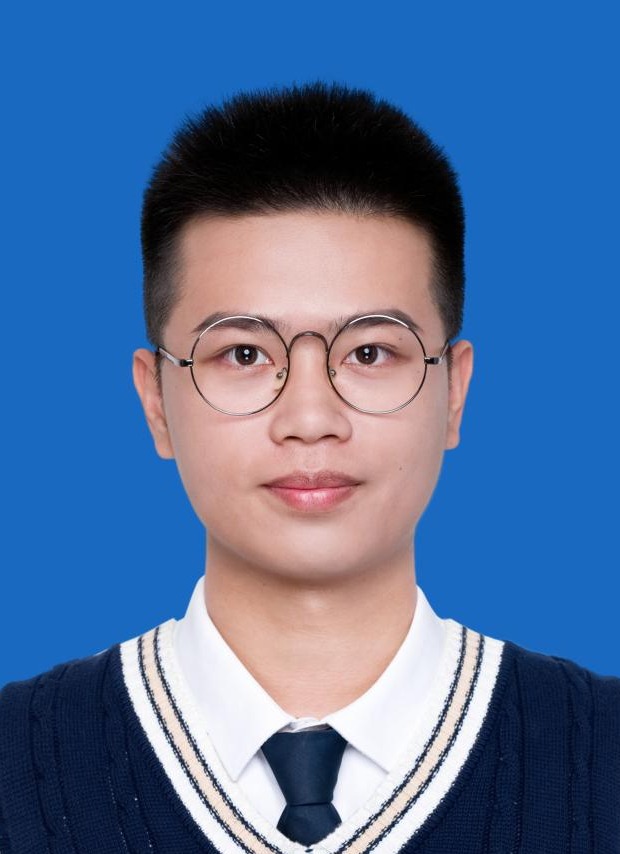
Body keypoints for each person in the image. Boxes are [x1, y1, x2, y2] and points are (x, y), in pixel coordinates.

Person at [0, 82, 618, 853]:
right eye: (244, 354)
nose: (311, 418)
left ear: (455, 392)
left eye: (370, 352)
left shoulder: (601, 757)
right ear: (155, 399)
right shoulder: (17, 765)